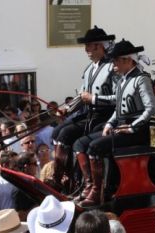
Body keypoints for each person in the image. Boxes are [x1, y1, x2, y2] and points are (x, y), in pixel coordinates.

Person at [73, 39, 155, 207]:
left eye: (116, 60)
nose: (113, 64)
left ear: (127, 60)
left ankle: (98, 192)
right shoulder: (122, 80)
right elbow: (117, 109)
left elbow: (151, 108)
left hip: (137, 131)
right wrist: (109, 123)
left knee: (95, 148)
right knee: (80, 143)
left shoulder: (141, 79)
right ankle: (89, 187)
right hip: (121, 126)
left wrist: (133, 127)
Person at [52, 26, 117, 195]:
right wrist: (67, 109)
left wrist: (94, 99)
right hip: (89, 114)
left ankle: (89, 185)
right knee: (58, 132)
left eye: (89, 46)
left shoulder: (112, 68)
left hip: (105, 116)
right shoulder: (89, 69)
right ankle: (60, 177)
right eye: (86, 46)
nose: (86, 50)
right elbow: (82, 95)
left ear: (99, 46)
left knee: (66, 134)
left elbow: (118, 97)